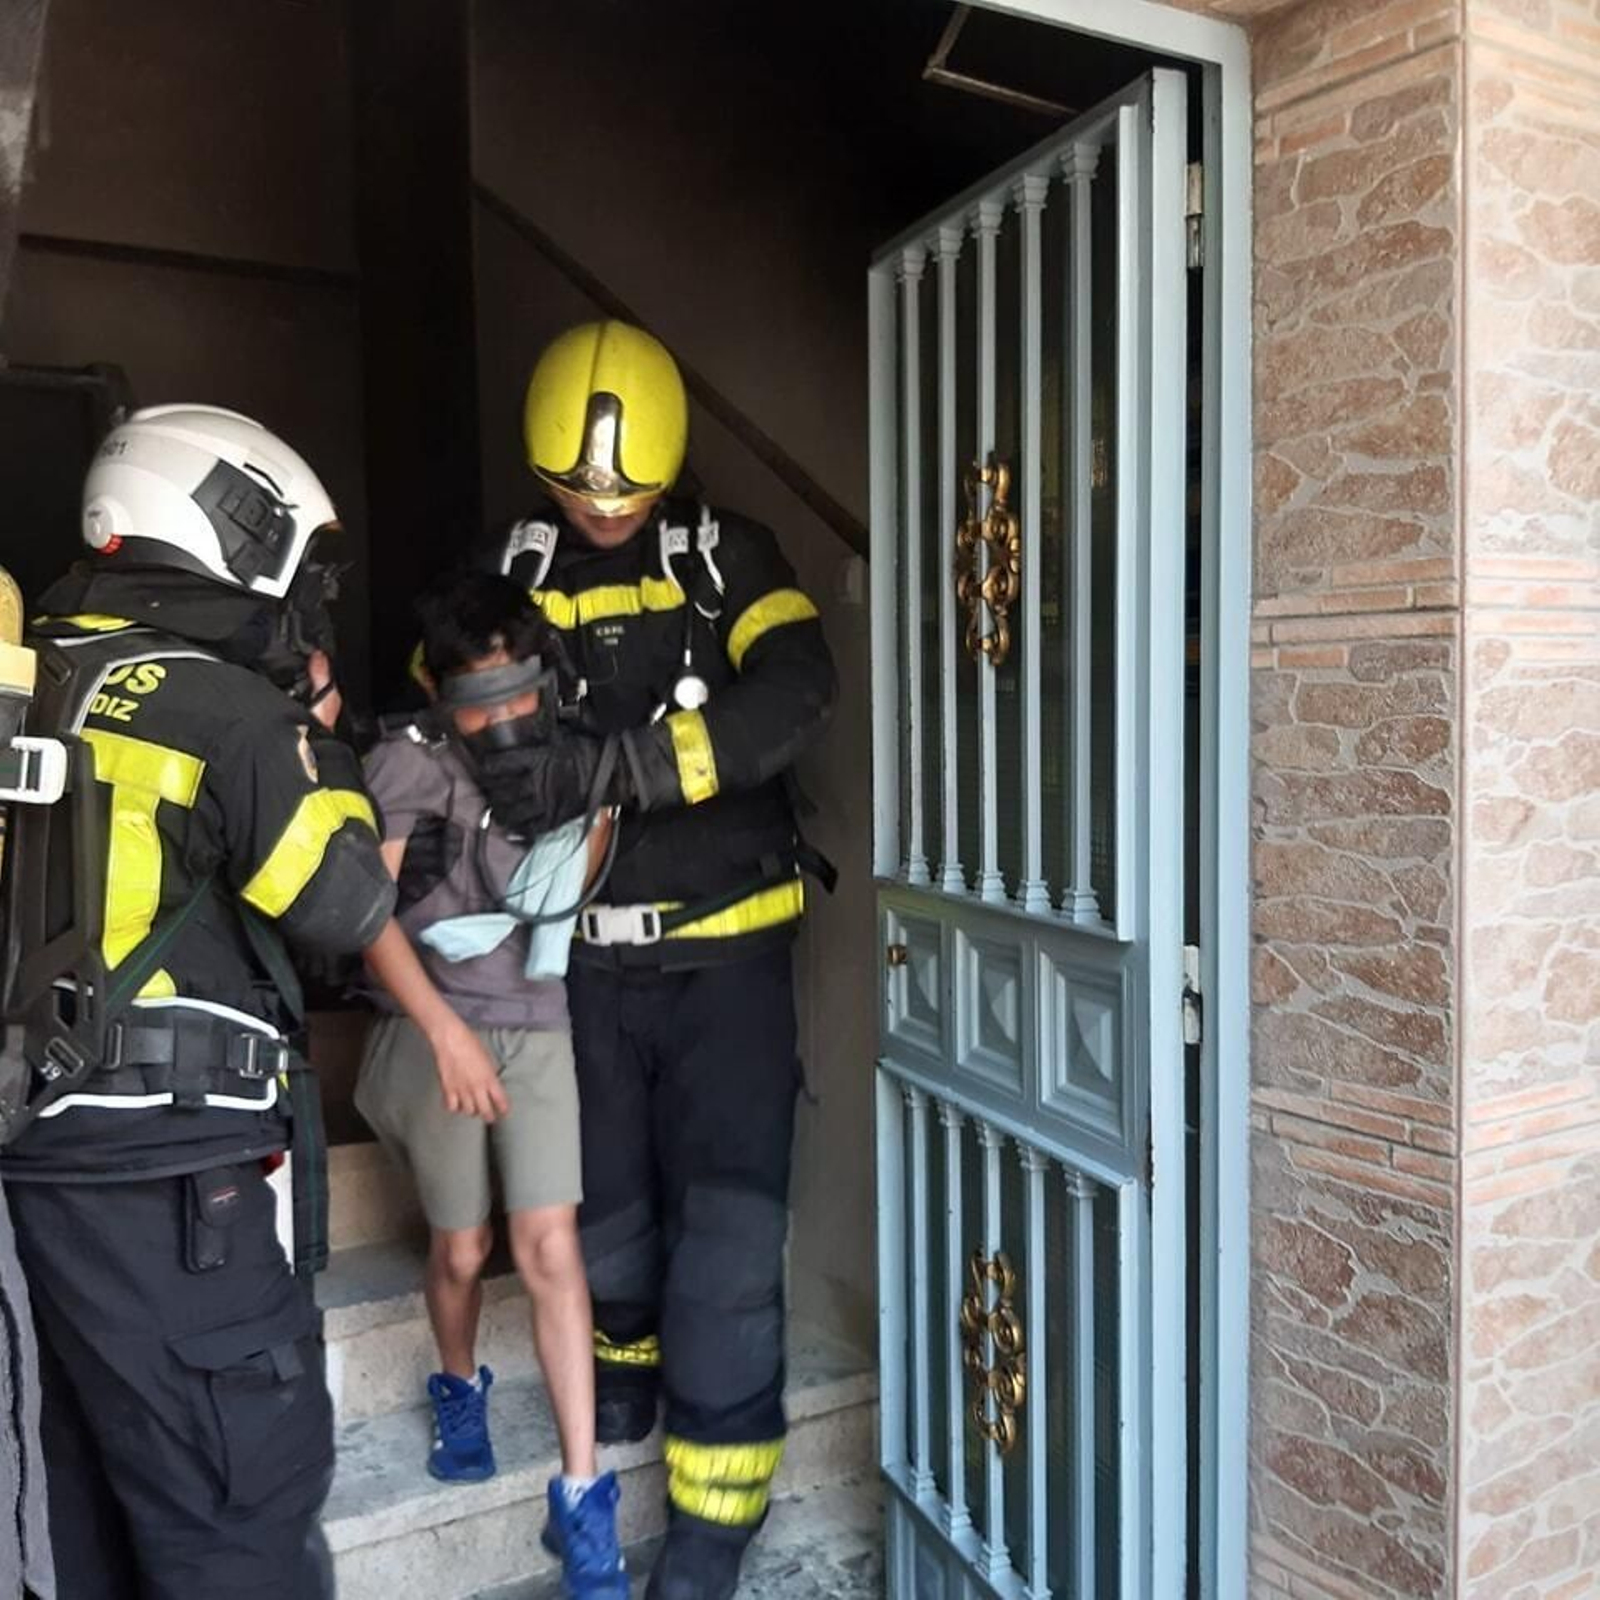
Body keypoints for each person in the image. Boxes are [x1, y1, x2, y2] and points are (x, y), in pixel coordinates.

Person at [0, 405, 396, 1600]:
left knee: (85, 1518)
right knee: (237, 1516)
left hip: (40, 1177)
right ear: (234, 525)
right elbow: (345, 901)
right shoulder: (222, 707)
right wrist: (317, 742)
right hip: (175, 1188)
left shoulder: (39, 675)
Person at [472, 320, 837, 1600]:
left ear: (670, 469)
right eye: (579, 485)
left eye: (626, 486)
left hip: (729, 971)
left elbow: (795, 691)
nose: (604, 505)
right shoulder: (511, 570)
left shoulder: (729, 558)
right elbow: (444, 697)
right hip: (577, 970)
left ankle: (707, 1537)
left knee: (728, 1250)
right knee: (605, 1216)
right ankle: (618, 1386)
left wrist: (625, 768)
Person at [356, 570, 627, 1599]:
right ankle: (459, 1386)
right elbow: (365, 918)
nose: (502, 715)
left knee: (549, 1246)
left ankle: (582, 1498)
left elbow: (580, 869)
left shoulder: (575, 748)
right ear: (435, 690)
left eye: (518, 690)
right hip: (436, 1026)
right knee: (463, 1249)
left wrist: (587, 799)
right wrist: (443, 1034)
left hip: (538, 1018)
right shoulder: (406, 766)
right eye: (477, 697)